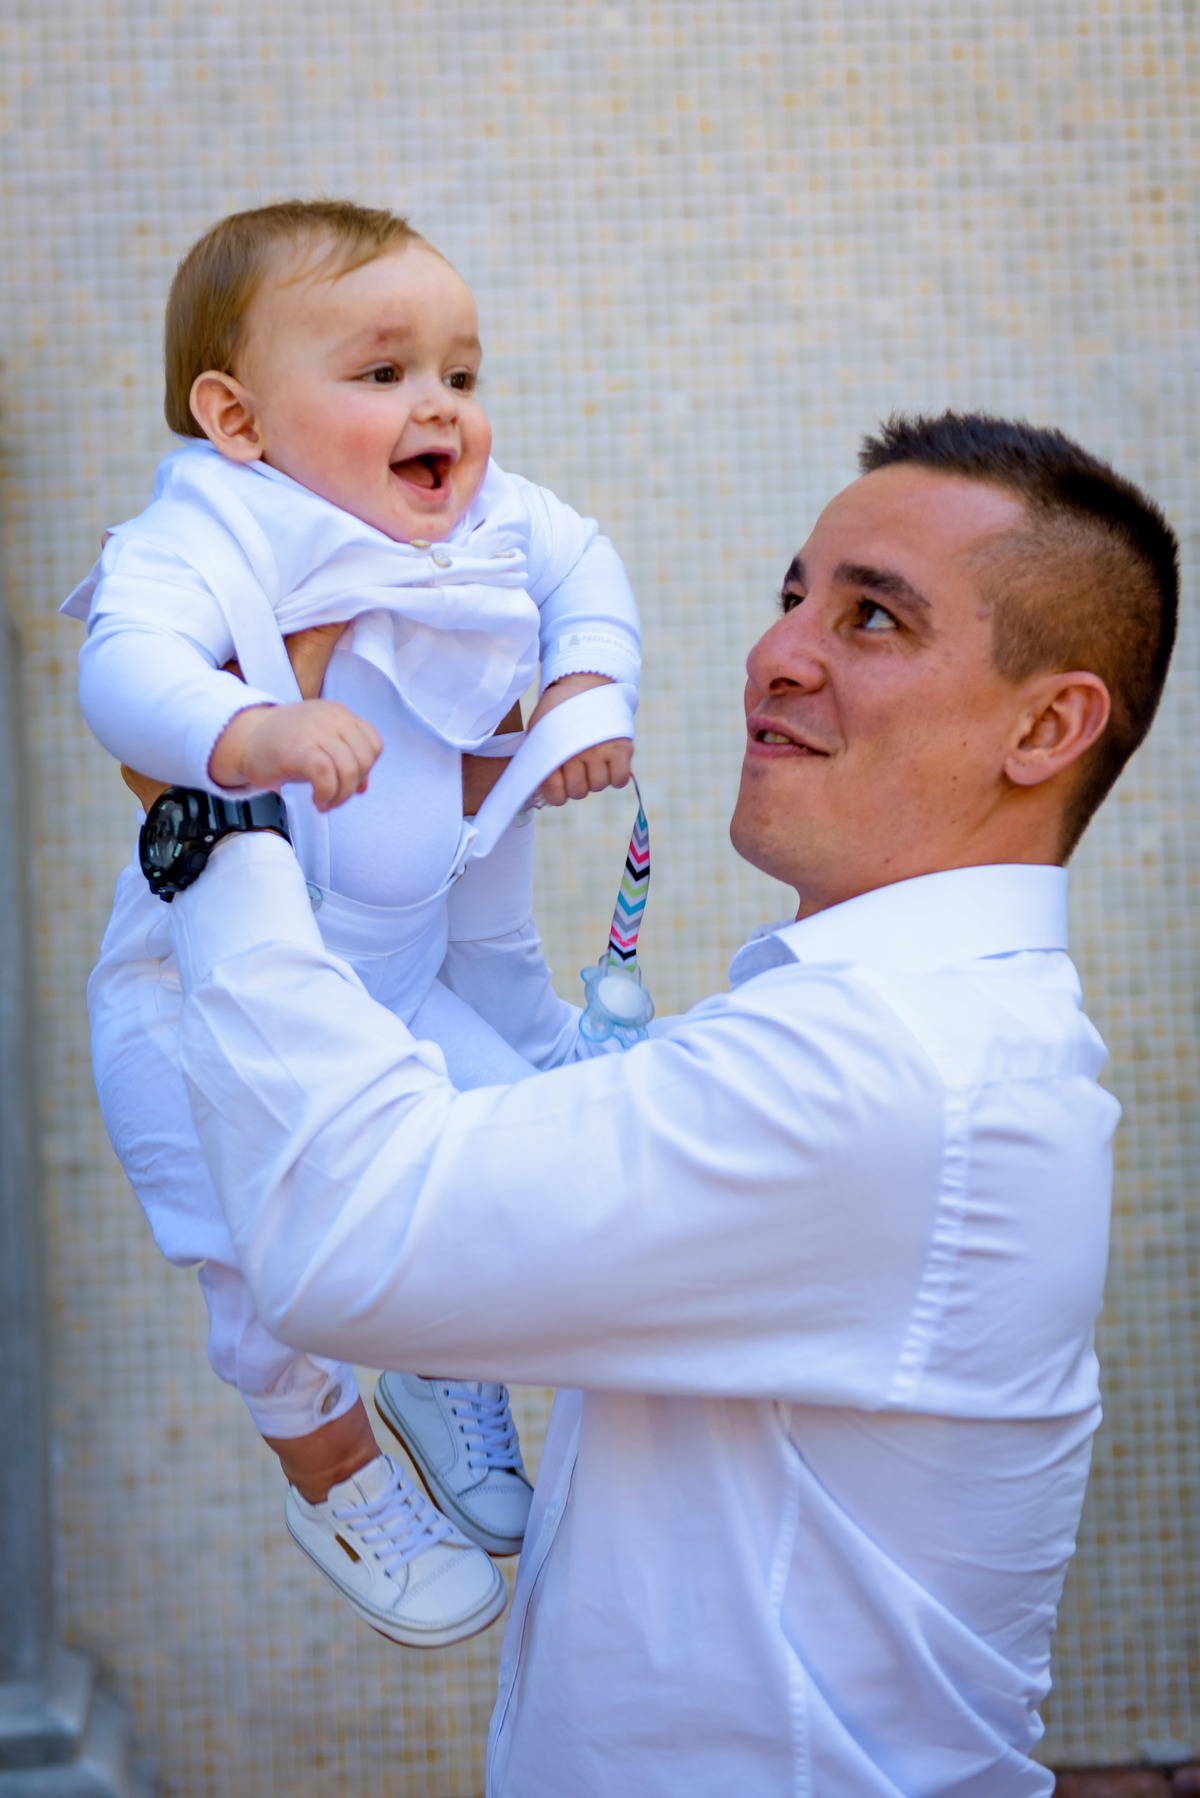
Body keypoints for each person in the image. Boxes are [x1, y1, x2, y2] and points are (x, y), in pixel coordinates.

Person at [149, 413, 1177, 1796]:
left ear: (1047, 724)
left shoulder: (886, 1068)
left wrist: (214, 818)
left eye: (872, 617)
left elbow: (352, 1237)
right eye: (792, 594)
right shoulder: (898, 1034)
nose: (780, 653)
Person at [61, 199, 646, 1649]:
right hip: (200, 996)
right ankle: (327, 1462)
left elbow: (589, 575)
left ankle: (445, 1360)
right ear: (237, 417)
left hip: (395, 975)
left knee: (516, 1164)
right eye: (381, 375)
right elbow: (120, 666)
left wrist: (586, 696)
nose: (438, 405)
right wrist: (243, 725)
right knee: (247, 1255)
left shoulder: (489, 516)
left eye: (459, 370)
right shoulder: (213, 520)